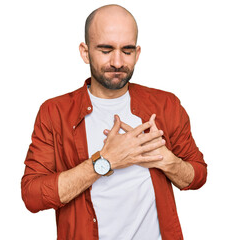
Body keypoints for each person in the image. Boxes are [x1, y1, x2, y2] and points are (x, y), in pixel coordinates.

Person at [21, 4, 207, 240]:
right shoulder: (54, 112)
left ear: (137, 53)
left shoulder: (166, 105)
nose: (118, 62)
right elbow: (32, 196)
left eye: (127, 51)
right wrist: (105, 161)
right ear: (85, 52)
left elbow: (198, 175)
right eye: (106, 50)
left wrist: (167, 160)